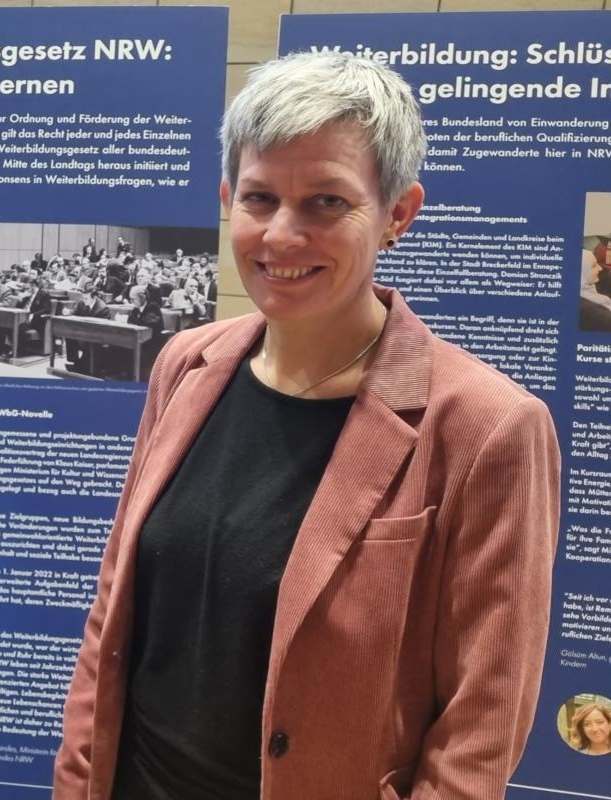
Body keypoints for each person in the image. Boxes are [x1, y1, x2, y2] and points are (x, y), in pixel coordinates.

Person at [55, 51, 559, 800]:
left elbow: (480, 729)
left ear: (397, 213)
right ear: (228, 198)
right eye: (259, 199)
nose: (283, 236)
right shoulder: (187, 364)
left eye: (327, 202)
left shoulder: (487, 426)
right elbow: (113, 612)